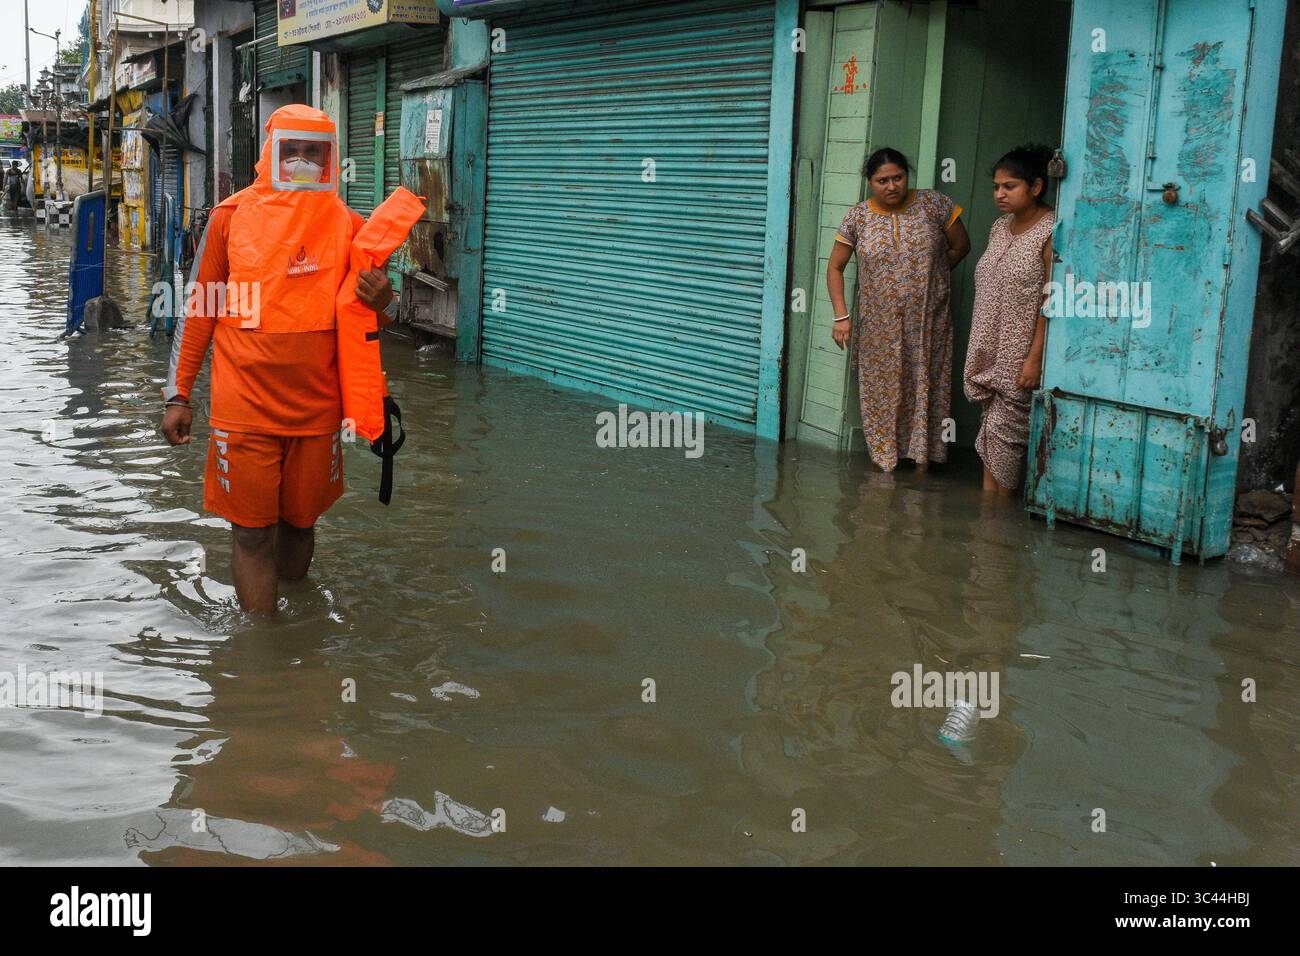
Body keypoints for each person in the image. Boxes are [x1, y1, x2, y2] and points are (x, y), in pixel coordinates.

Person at [160, 105, 398, 613]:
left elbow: (379, 320)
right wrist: (178, 393)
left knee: (300, 524)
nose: (304, 162)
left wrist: (386, 300)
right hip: (242, 407)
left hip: (317, 411)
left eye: (315, 152)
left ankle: (295, 636)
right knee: (251, 535)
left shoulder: (349, 226)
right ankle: (261, 651)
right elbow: (198, 312)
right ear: (272, 152)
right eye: (294, 151)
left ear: (330, 158)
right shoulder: (229, 218)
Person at [827, 147, 970, 473]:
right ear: (870, 182)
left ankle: (924, 464)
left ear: (907, 175)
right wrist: (841, 317)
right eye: (882, 180)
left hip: (927, 323)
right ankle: (886, 465)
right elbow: (834, 267)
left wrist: (933, 276)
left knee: (926, 385)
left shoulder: (935, 205)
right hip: (879, 327)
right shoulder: (857, 217)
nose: (891, 186)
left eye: (898, 178)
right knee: (884, 390)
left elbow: (961, 246)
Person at [963, 144, 1057, 496]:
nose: (999, 194)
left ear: (1035, 187)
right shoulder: (999, 227)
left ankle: (993, 529)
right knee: (991, 437)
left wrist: (1034, 358)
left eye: (1009, 187)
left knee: (1004, 438)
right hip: (987, 352)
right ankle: (991, 529)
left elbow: (1052, 301)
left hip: (1018, 359)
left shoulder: (1050, 231)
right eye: (996, 187)